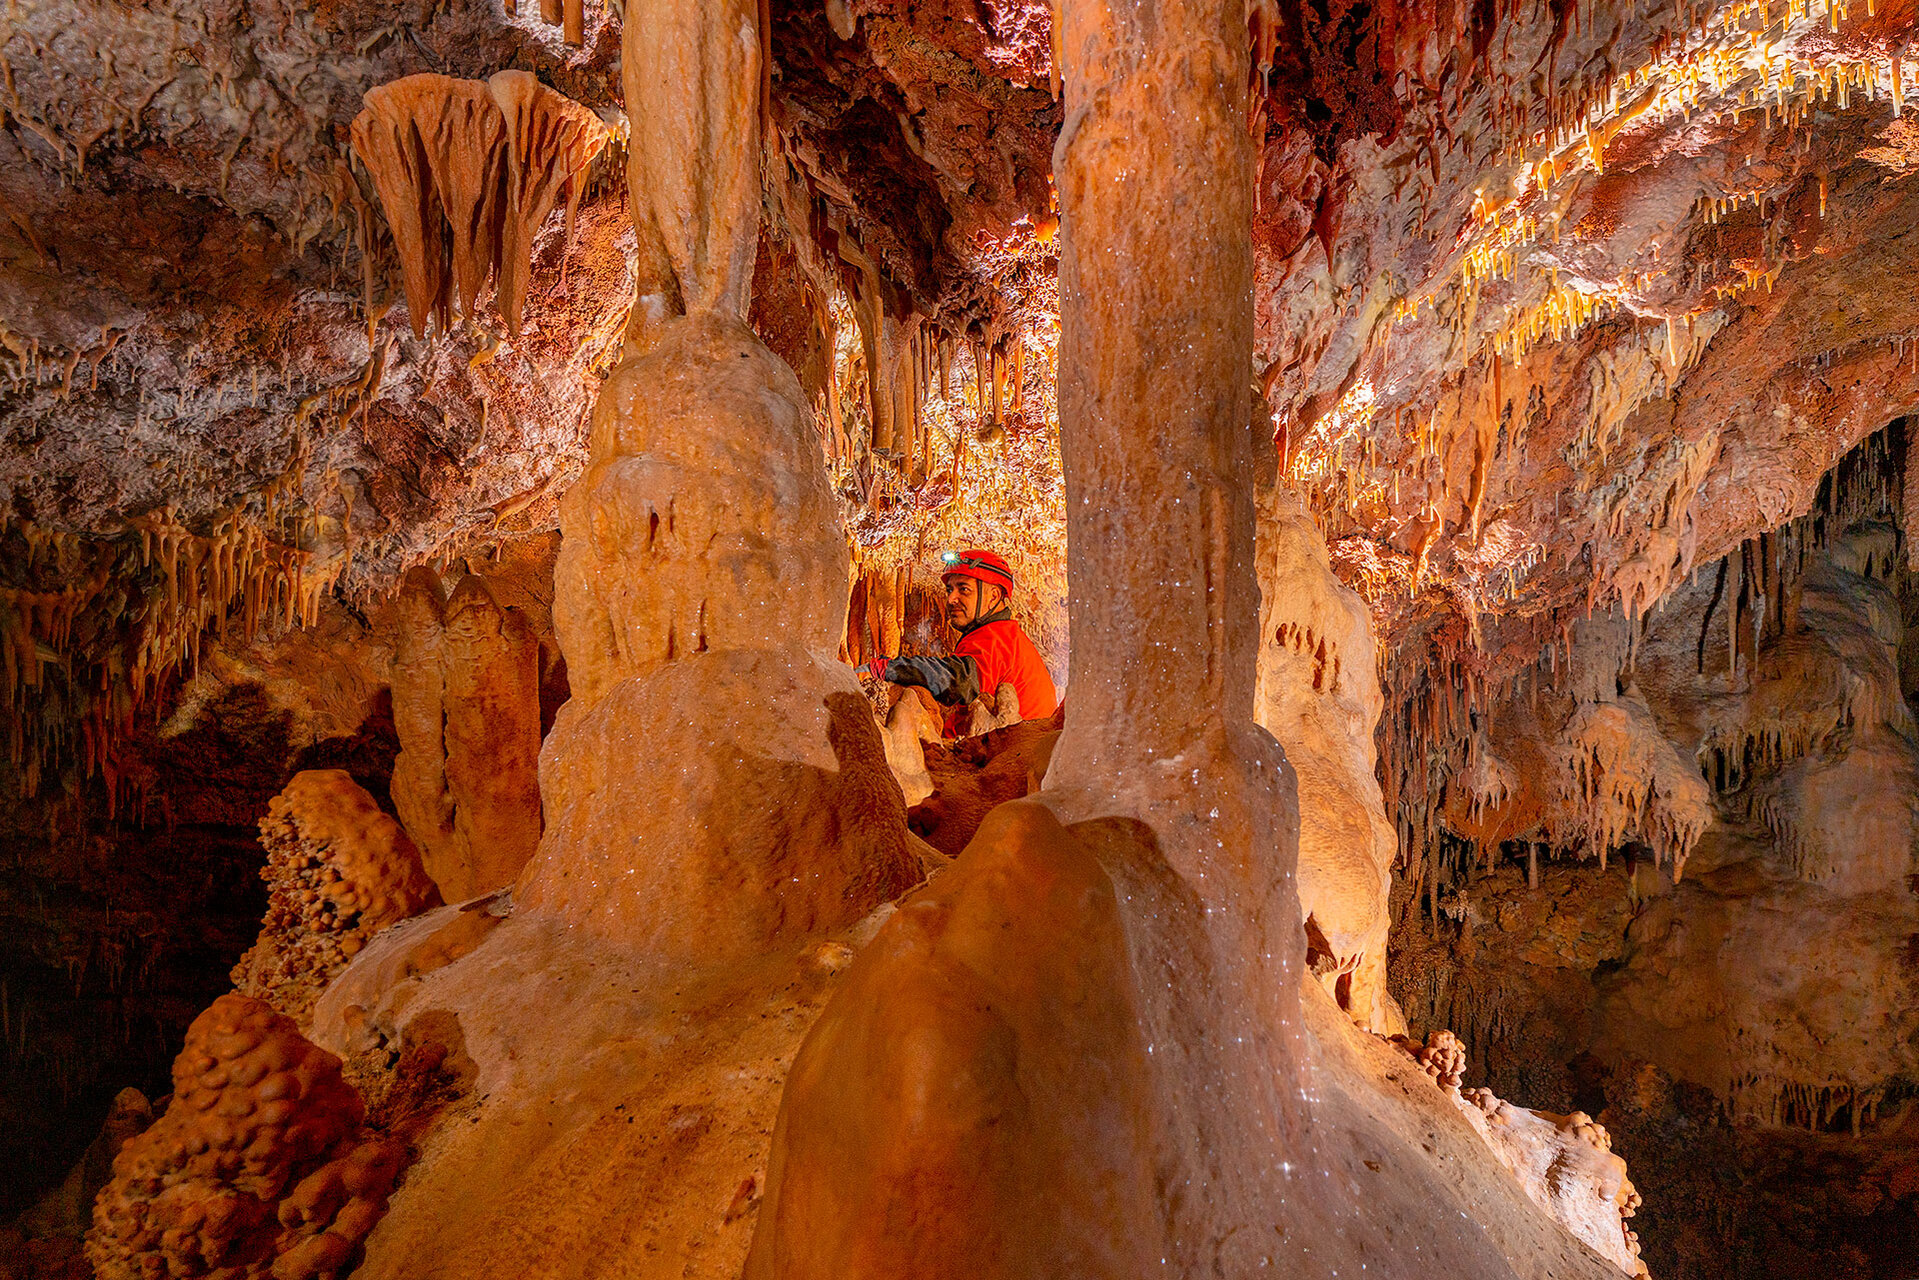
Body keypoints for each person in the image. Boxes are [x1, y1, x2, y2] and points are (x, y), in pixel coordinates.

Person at [879, 549, 1058, 735]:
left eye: (963, 589)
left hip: (1012, 754)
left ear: (994, 596)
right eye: (950, 590)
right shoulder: (1006, 635)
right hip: (1013, 748)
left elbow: (959, 681)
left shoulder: (996, 638)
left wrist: (892, 669)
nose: (950, 599)